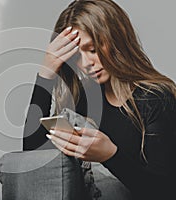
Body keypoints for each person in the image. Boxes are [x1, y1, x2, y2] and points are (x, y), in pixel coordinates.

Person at [22, 0, 176, 199]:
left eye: (93, 49)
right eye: (76, 55)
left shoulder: (156, 99)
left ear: (117, 39)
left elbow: (164, 192)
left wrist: (110, 155)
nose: (86, 64)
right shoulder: (85, 98)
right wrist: (46, 73)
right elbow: (32, 154)